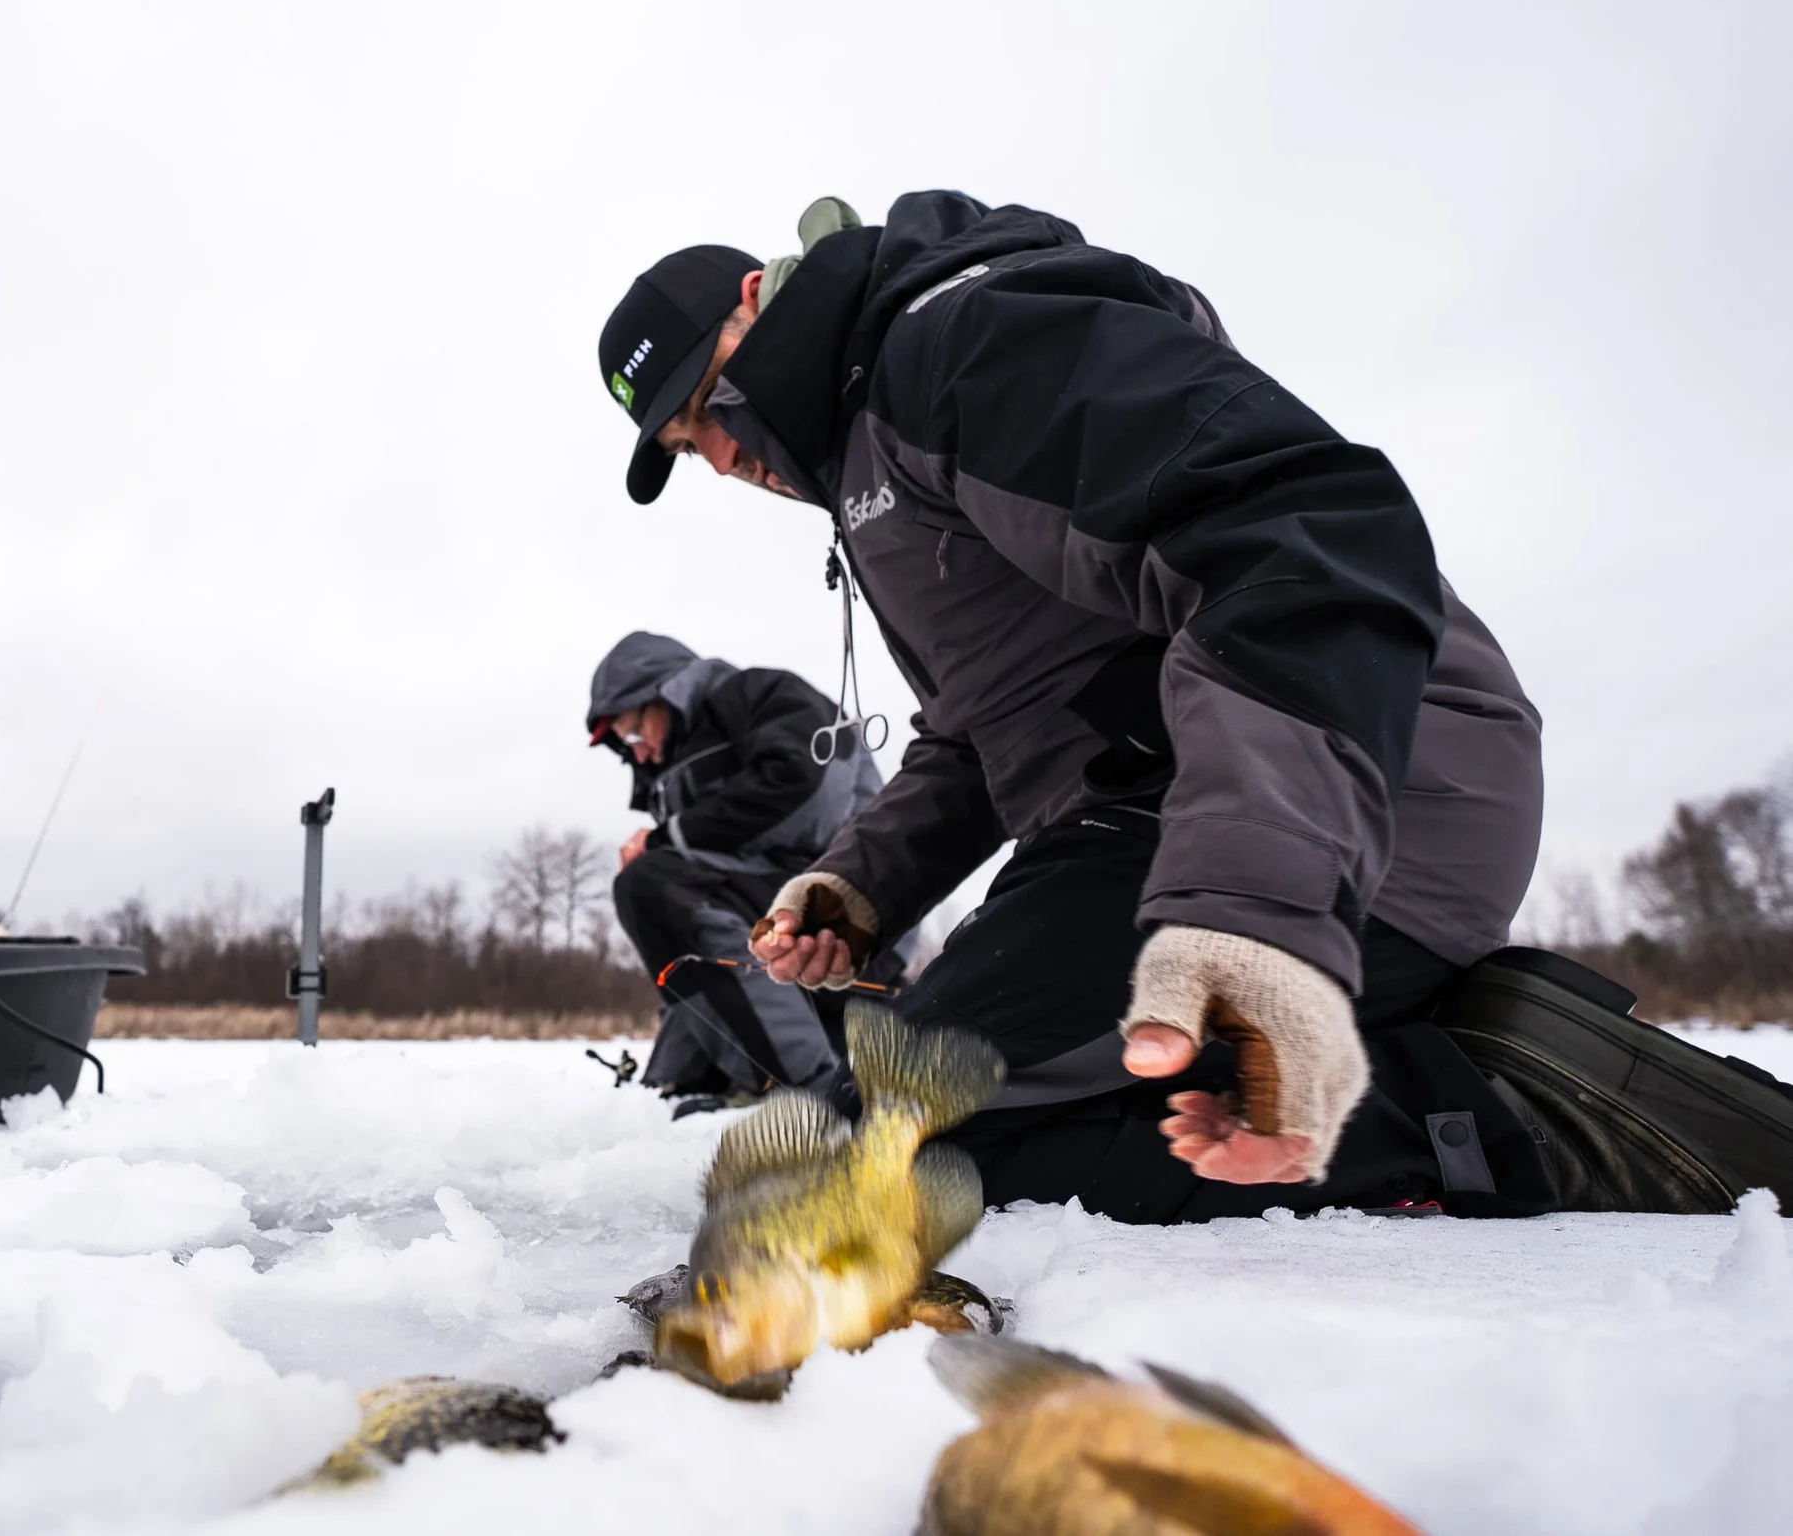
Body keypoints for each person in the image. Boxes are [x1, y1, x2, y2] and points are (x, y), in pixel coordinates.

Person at [594, 192, 1793, 1219]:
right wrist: (857, 887)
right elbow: (987, 721)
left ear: (757, 299)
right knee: (877, 1116)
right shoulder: (868, 464)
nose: (712, 451)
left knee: (926, 1140)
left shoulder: (957, 337)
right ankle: (1407, 1032)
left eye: (704, 399)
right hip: (1148, 816)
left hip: (1370, 788)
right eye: (684, 440)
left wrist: (1257, 912)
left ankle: (1497, 1104)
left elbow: (1299, 537)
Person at [587, 630, 900, 1110]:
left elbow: (808, 795)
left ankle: (811, 1094)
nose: (639, 753)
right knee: (660, 895)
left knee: (652, 884)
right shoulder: (669, 775)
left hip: (852, 915)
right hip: (782, 932)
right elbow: (705, 935)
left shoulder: (761, 696)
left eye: (632, 733)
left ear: (664, 695)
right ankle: (715, 1077)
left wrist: (665, 837)